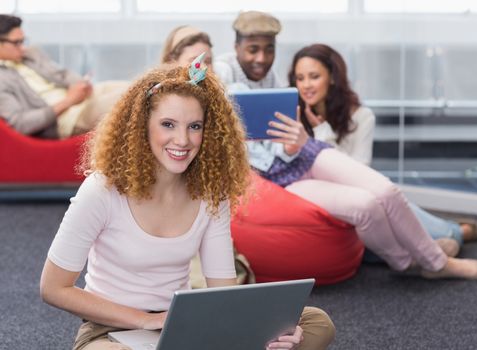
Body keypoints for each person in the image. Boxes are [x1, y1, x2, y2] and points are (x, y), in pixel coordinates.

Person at [39, 59, 335, 350]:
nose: (182, 140)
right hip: (109, 328)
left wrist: (263, 330)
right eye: (168, 124)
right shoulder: (102, 190)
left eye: (195, 126)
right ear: (142, 126)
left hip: (183, 321)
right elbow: (53, 289)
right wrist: (144, 320)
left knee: (316, 323)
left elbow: (223, 293)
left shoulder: (210, 192)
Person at [215, 11, 477, 279]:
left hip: (305, 152)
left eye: (269, 49)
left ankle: (436, 261)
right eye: (252, 49)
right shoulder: (223, 71)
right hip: (280, 177)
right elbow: (225, 93)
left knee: (385, 191)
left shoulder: (274, 81)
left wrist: (293, 144)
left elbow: (281, 133)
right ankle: (405, 262)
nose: (261, 58)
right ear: (236, 46)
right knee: (365, 206)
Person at [288, 43, 477, 255]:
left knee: (388, 207)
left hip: (360, 196)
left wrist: (322, 132)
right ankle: (436, 245)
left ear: (332, 77)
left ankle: (456, 231)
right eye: (300, 78)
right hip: (327, 200)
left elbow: (359, 172)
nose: (306, 85)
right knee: (384, 221)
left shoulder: (361, 116)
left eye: (314, 76)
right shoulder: (294, 117)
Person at [0, 14, 127, 139]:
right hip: (67, 117)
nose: (23, 48)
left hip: (81, 98)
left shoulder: (31, 53)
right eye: (17, 43)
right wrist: (69, 101)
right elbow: (20, 123)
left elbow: (62, 74)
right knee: (127, 99)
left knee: (133, 87)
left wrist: (80, 84)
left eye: (23, 41)